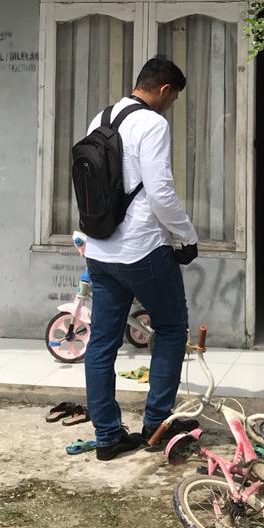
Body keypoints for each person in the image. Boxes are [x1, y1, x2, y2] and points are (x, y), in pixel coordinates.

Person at [82, 56, 199, 460]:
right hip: (143, 249)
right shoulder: (152, 123)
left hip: (100, 249)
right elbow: (160, 192)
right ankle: (157, 425)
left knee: (102, 342)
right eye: (174, 98)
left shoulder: (100, 118)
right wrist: (187, 236)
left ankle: (108, 436)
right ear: (165, 90)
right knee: (171, 328)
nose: (171, 106)